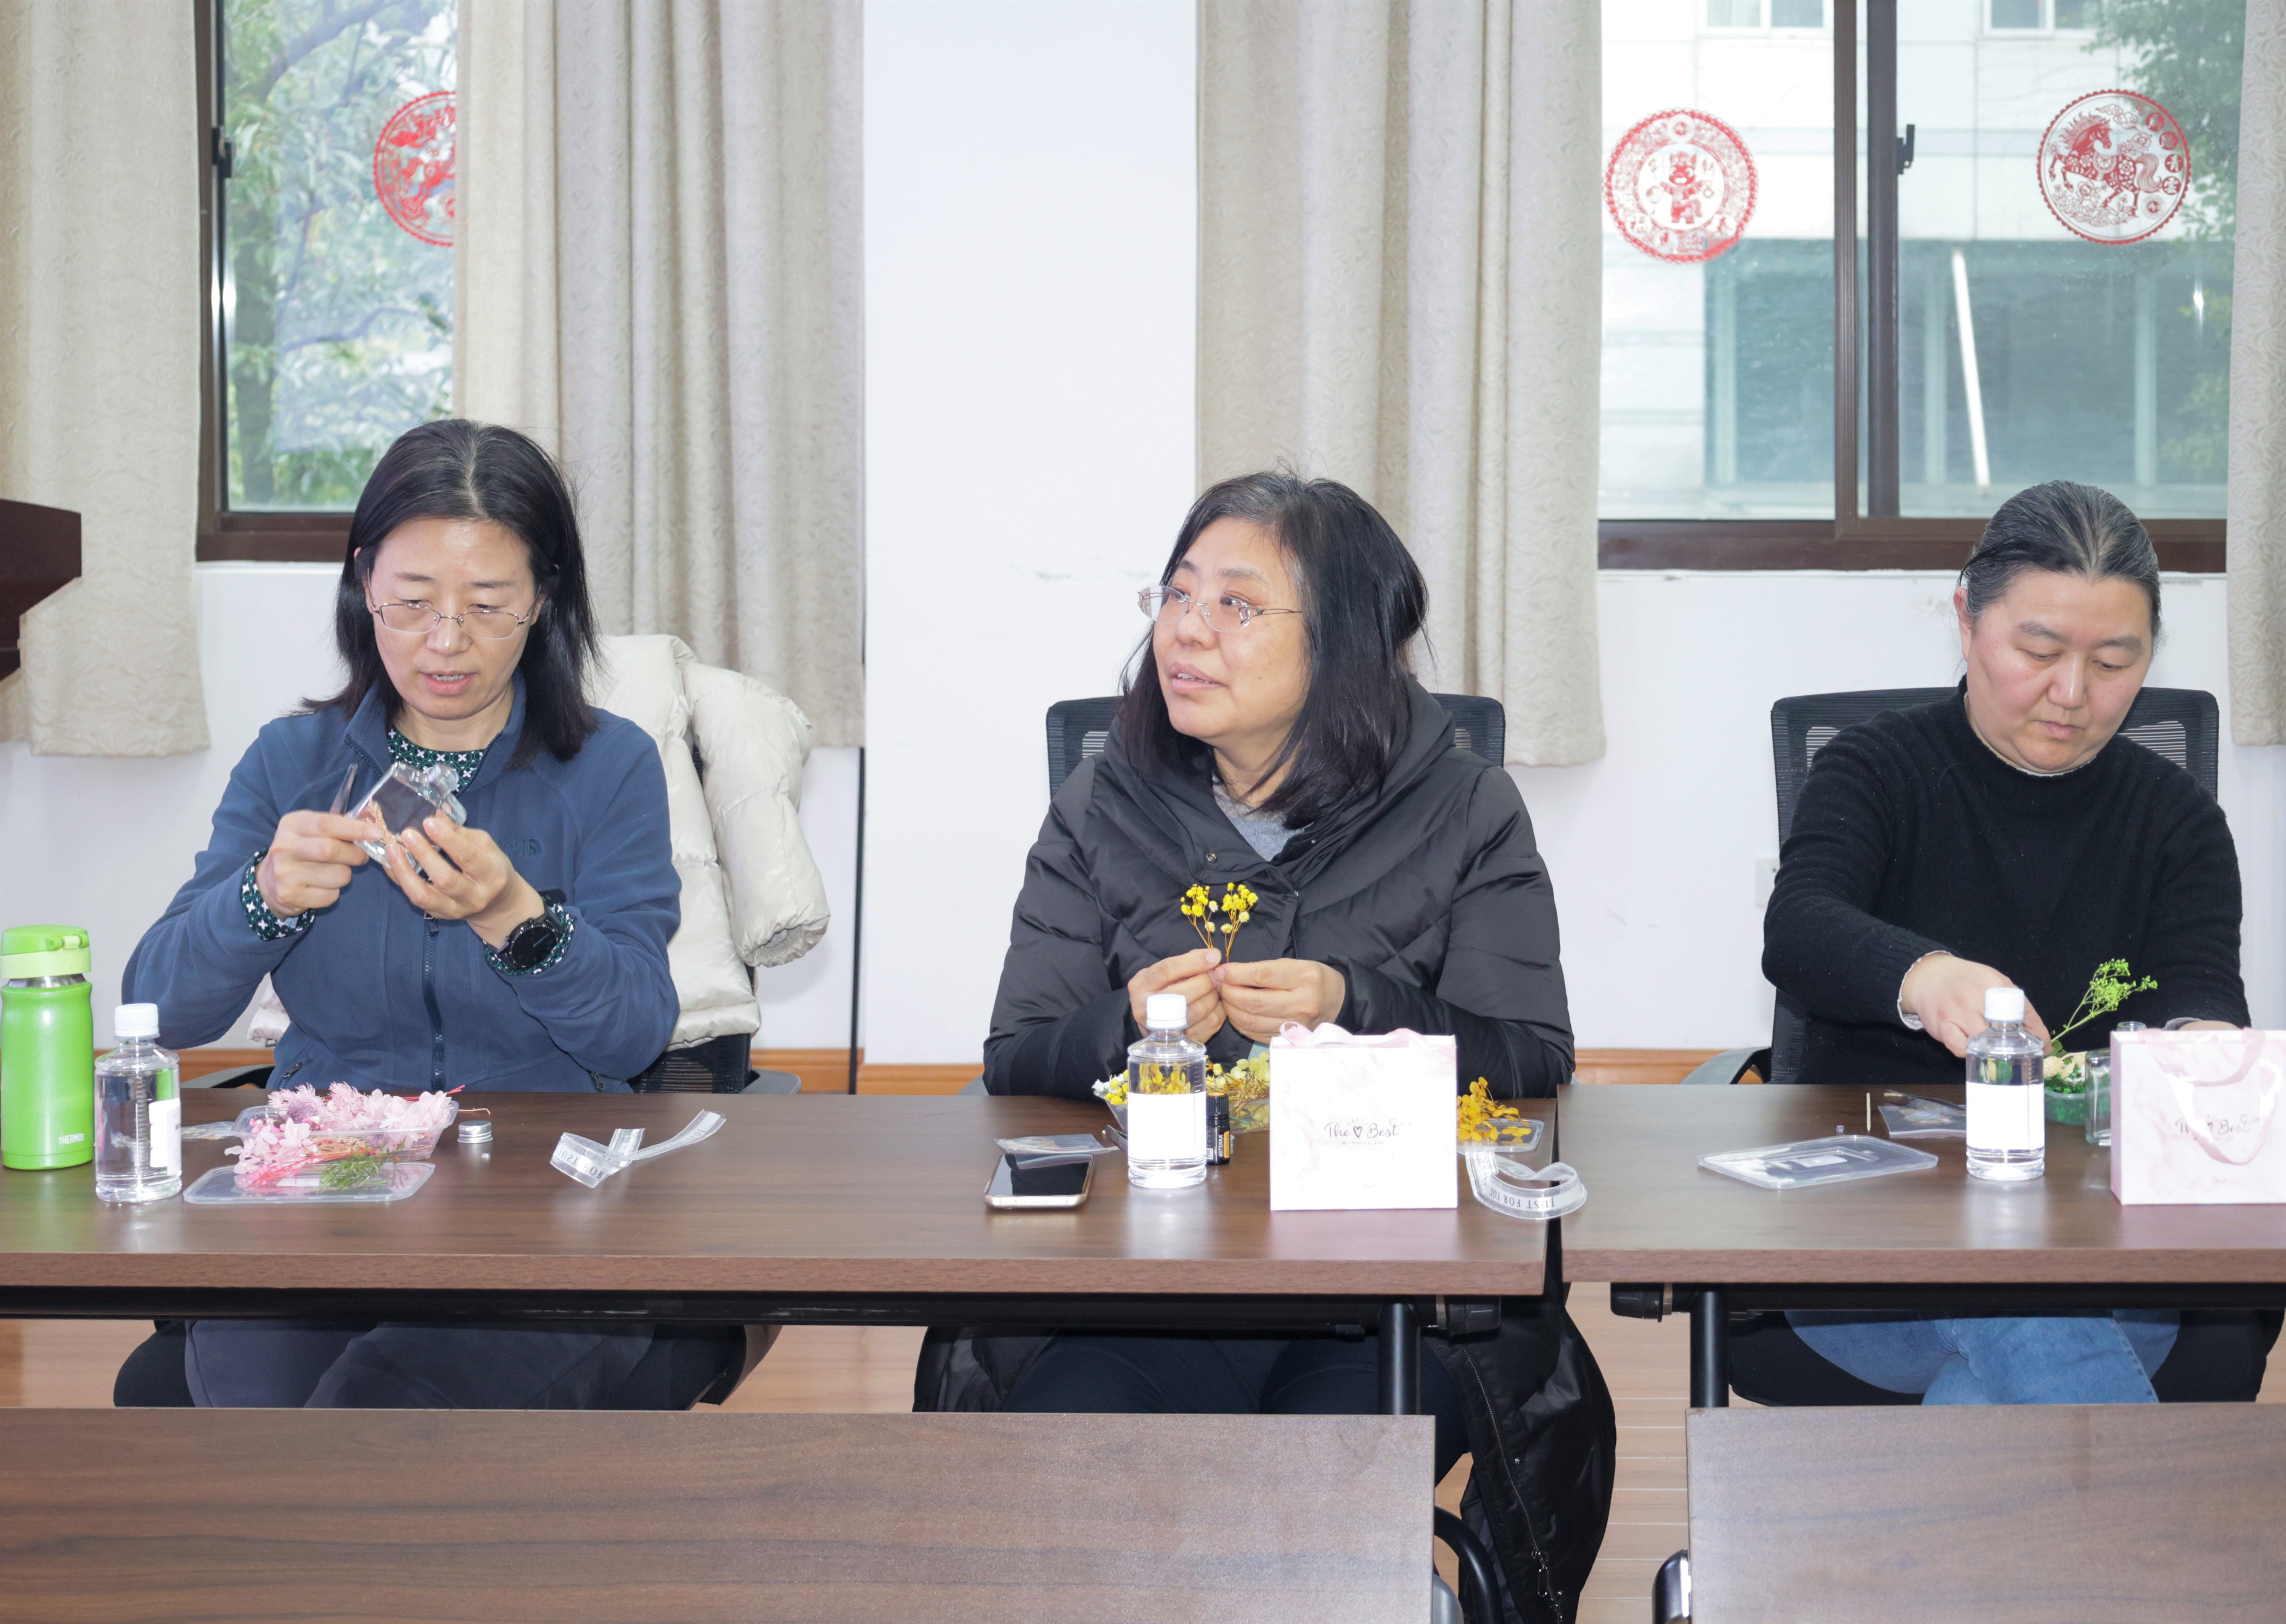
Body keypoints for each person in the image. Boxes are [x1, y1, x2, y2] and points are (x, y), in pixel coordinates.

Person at [937, 471, 1612, 1616]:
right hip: (1148, 1289)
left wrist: (1356, 1004)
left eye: (1237, 605)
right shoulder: (1103, 803)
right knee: (1073, 1467)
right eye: (1176, 594)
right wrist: (1131, 1023)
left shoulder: (1465, 806)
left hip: (1395, 1298)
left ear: (1341, 642)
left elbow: (1531, 1056)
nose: (1186, 630)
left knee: (1319, 1499)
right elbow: (1018, 1056)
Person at [121, 419, 721, 1408]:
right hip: (325, 1175)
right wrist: (261, 898)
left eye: (487, 605)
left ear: (543, 599)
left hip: (539, 1189)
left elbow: (630, 1036)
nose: (447, 641)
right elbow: (162, 1009)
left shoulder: (607, 765)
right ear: (365, 585)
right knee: (258, 1416)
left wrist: (518, 918)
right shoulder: (292, 761)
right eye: (412, 603)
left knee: (380, 1408)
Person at [1761, 479, 2270, 1404]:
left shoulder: (2176, 821)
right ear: (1966, 621)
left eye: (2113, 662)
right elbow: (1799, 927)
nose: (2071, 694)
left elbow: (2200, 996)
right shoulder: (1874, 769)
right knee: (2029, 1309)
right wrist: (1923, 976)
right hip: (1873, 1251)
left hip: (2101, 1249)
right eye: (2037, 653)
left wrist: (2207, 1058)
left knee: (2018, 1340)